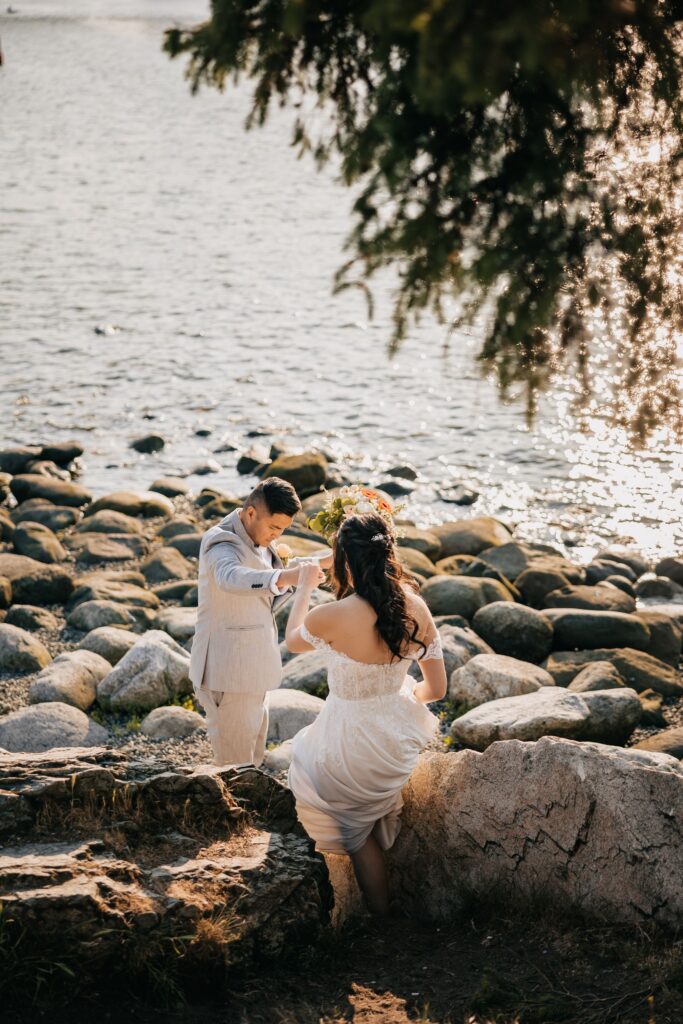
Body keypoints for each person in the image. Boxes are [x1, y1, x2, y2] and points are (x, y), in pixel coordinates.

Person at [285, 511, 447, 915]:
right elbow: (437, 689)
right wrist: (404, 698)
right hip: (393, 738)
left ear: (344, 560)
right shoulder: (416, 608)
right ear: (389, 552)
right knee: (362, 827)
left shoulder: (331, 616)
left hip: (345, 740)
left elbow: (292, 641)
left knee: (351, 831)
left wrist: (304, 587)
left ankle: (379, 918)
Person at [190, 477, 331, 767]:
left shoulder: (258, 537)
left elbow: (270, 568)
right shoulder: (221, 540)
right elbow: (231, 577)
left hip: (253, 670)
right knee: (233, 766)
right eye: (274, 527)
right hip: (227, 673)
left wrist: (325, 560)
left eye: (282, 529)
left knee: (252, 759)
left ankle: (247, 810)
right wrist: (292, 577)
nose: (277, 536)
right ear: (251, 512)